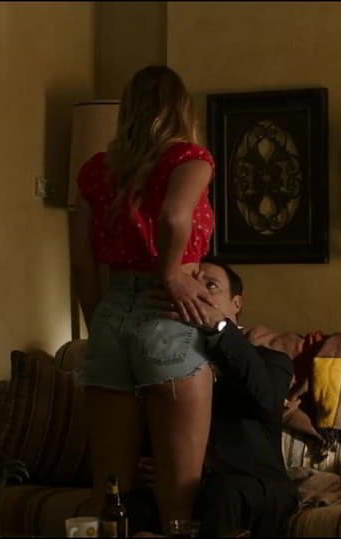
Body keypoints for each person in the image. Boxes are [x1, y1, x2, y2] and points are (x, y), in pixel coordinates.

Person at [69, 64, 218, 533]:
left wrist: (99, 323)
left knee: (109, 495)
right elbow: (174, 217)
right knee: (177, 504)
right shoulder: (190, 158)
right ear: (182, 109)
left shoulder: (96, 170)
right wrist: (171, 274)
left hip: (112, 313)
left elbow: (81, 260)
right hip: (166, 314)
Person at [137, 260, 298, 537]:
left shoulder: (271, 360)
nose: (197, 293)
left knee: (224, 492)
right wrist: (148, 463)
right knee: (126, 501)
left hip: (251, 486)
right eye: (192, 284)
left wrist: (219, 326)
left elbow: (266, 401)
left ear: (236, 303)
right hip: (180, 484)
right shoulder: (159, 364)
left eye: (210, 286)